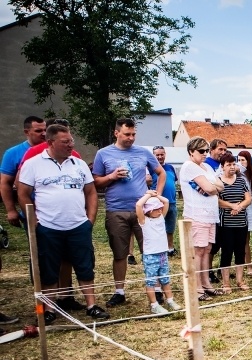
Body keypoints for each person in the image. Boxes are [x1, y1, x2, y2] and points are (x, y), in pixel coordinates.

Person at [17, 123, 110, 323]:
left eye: (71, 141)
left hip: (78, 226)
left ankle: (91, 306)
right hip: (48, 227)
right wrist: (35, 222)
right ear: (50, 142)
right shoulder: (33, 164)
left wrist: (89, 219)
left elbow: (91, 192)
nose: (71, 145)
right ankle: (49, 309)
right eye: (65, 141)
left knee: (85, 266)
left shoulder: (79, 164)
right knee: (49, 269)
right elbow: (23, 193)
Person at [92, 118, 166, 307]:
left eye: (133, 134)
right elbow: (95, 182)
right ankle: (119, 292)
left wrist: (156, 195)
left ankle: (156, 289)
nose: (131, 138)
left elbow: (161, 172)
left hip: (144, 211)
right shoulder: (103, 154)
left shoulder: (143, 152)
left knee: (150, 252)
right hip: (116, 210)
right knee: (119, 253)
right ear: (116, 133)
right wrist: (112, 176)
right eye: (127, 134)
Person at [179, 136, 224, 300]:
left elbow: (220, 186)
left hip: (210, 215)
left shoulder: (206, 166)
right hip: (197, 214)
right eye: (201, 151)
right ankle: (197, 288)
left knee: (207, 250)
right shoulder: (189, 167)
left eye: (206, 150)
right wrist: (212, 187)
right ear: (191, 152)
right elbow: (209, 188)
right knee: (198, 251)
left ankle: (206, 284)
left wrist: (213, 187)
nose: (205, 154)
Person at [135, 192, 181, 314]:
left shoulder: (161, 218)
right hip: (150, 256)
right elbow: (139, 205)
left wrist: (155, 196)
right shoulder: (144, 221)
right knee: (151, 281)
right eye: (156, 209)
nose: (160, 211)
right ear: (149, 211)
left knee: (165, 279)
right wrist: (148, 195)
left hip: (163, 254)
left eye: (160, 208)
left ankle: (170, 300)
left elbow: (166, 201)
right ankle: (154, 304)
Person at [1, 116, 46, 228]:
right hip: (31, 208)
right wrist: (11, 210)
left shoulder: (53, 150)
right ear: (27, 132)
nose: (44, 134)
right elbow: (5, 183)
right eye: (38, 131)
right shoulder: (13, 153)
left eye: (45, 130)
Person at [216, 153, 252, 292]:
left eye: (233, 164)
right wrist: (232, 206)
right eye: (228, 165)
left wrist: (240, 207)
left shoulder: (241, 180)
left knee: (240, 251)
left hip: (241, 222)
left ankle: (240, 280)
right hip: (226, 224)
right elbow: (217, 201)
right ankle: (225, 283)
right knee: (226, 251)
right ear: (222, 166)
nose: (232, 167)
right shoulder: (218, 181)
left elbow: (248, 199)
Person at [151, 146, 179, 257]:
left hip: (171, 202)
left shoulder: (170, 167)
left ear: (165, 154)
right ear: (153, 155)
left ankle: (170, 248)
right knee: (157, 227)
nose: (160, 156)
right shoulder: (150, 168)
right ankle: (159, 248)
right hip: (157, 203)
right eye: (157, 155)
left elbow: (173, 181)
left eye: (162, 154)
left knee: (170, 227)